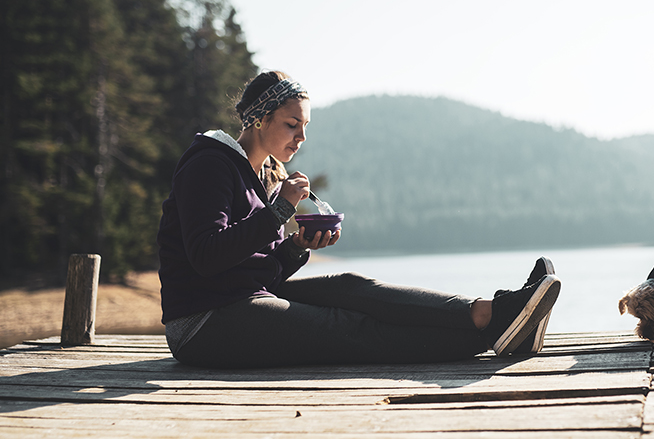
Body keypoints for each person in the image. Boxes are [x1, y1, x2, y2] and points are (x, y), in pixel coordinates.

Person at [157, 70, 561, 368]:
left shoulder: (261, 176)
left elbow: (261, 268)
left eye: (305, 127)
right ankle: (494, 334)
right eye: (292, 124)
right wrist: (280, 211)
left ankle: (490, 312)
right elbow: (206, 257)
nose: (301, 137)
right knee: (346, 327)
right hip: (203, 323)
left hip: (244, 298)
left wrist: (297, 246)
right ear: (260, 119)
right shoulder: (210, 164)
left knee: (352, 287)